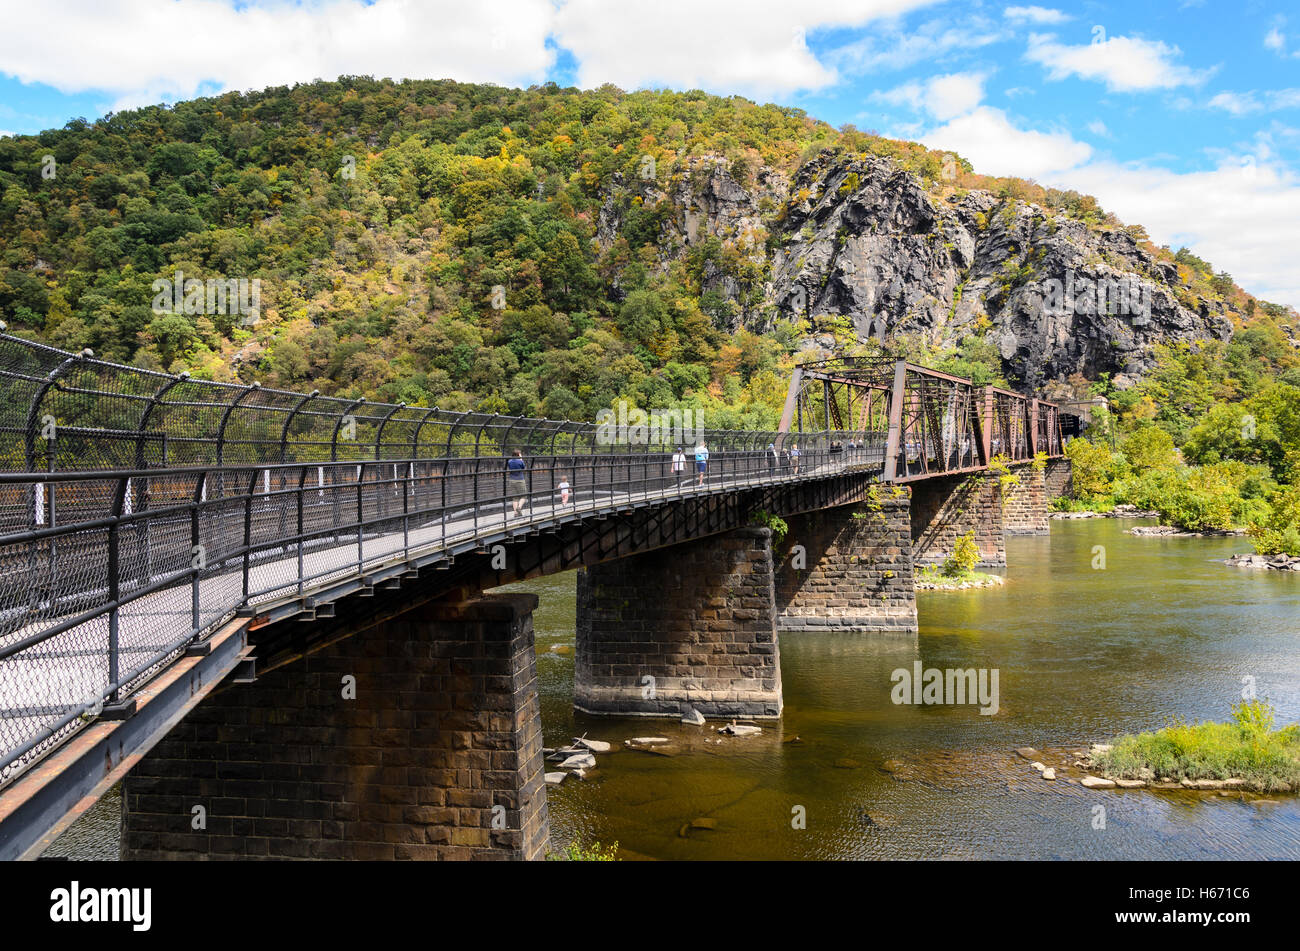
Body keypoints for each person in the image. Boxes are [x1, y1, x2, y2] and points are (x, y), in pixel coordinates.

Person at [506, 449, 528, 516]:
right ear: (518, 454)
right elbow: (523, 468)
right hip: (520, 480)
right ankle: (519, 508)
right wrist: (521, 459)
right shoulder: (520, 461)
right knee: (524, 495)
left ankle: (515, 513)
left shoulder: (509, 461)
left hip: (512, 480)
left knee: (515, 497)